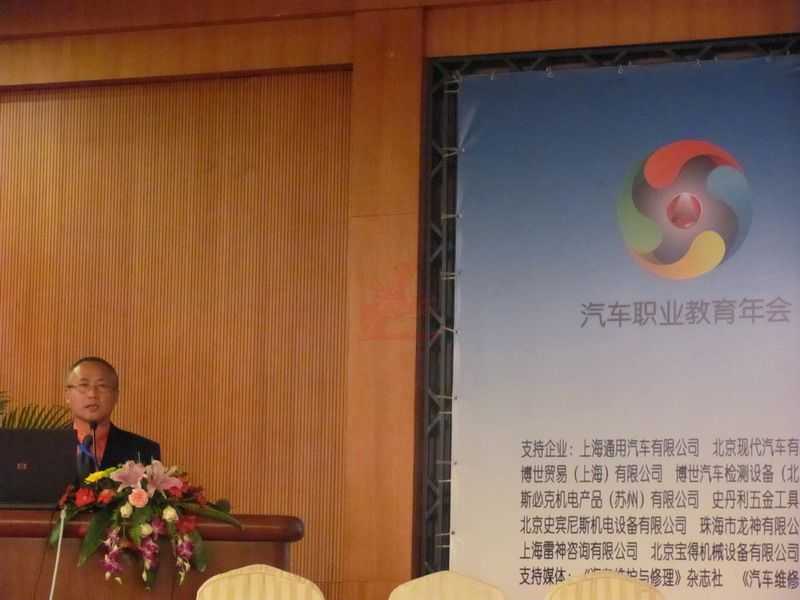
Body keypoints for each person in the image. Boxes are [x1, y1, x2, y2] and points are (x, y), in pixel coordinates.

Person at [64, 356, 160, 477]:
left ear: (116, 396)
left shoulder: (143, 450)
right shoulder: (47, 447)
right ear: (67, 395)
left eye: (102, 386)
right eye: (83, 385)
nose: (92, 394)